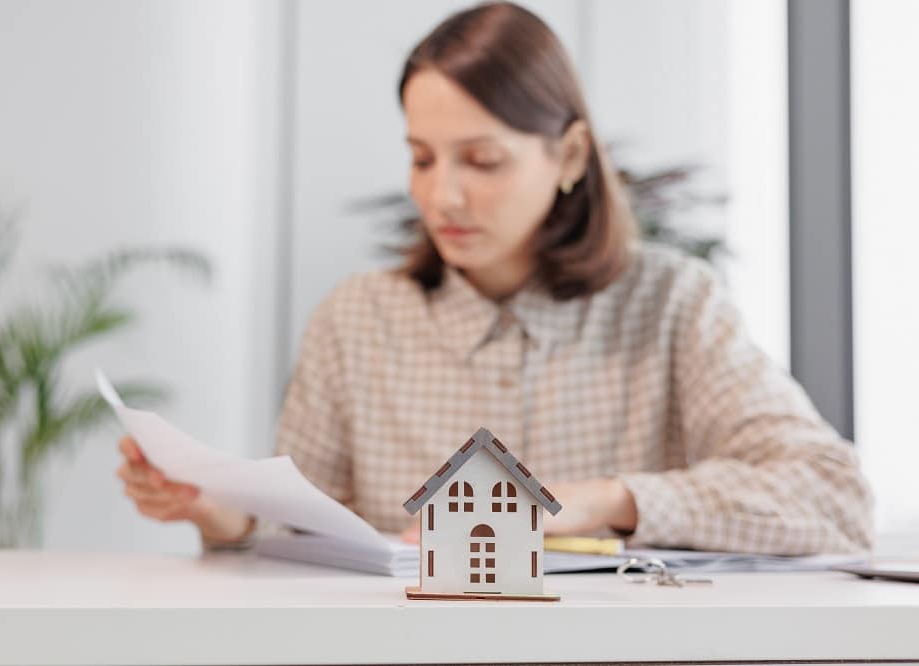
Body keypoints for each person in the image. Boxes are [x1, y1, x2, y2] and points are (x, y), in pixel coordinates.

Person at [116, 1, 873, 555]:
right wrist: (216, 513)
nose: (441, 196)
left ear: (570, 158)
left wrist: (602, 502)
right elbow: (306, 529)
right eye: (421, 158)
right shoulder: (355, 320)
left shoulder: (673, 304)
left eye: (482, 161)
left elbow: (833, 496)